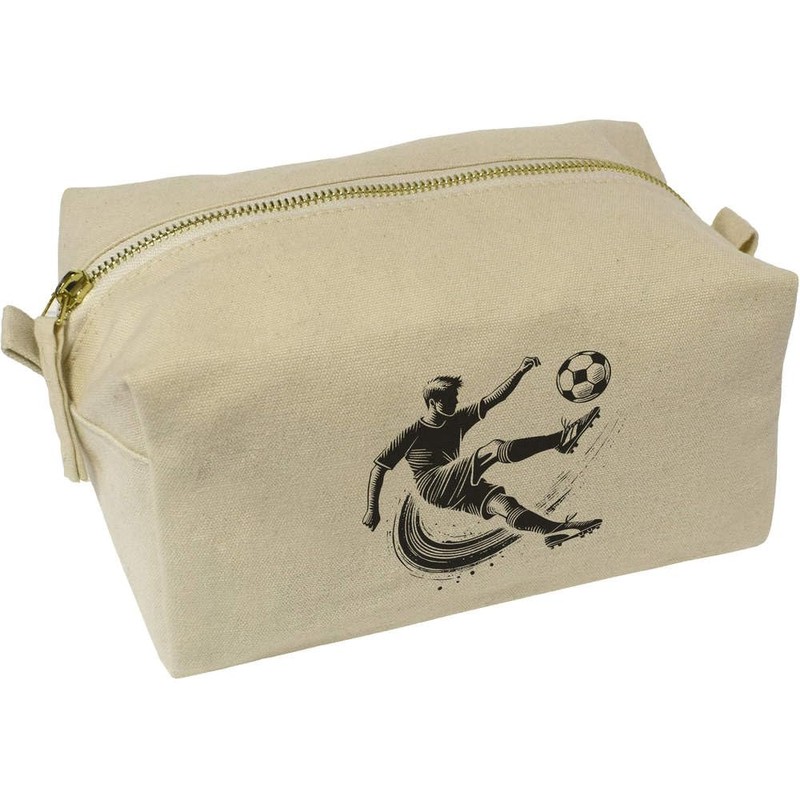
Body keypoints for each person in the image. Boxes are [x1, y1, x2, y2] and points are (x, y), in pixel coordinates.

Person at [362, 357, 602, 547]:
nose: (456, 403)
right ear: (433, 402)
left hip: (456, 487)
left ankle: (552, 531)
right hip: (433, 483)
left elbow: (493, 399)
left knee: (503, 504)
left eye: (455, 398)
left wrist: (520, 371)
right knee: (493, 449)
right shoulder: (412, 432)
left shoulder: (456, 420)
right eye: (450, 400)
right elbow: (379, 468)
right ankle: (559, 440)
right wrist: (372, 509)